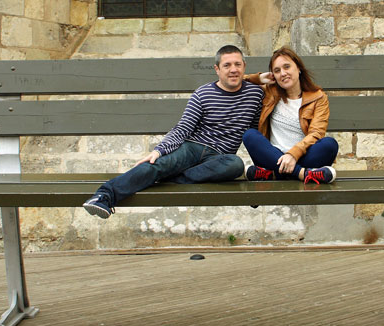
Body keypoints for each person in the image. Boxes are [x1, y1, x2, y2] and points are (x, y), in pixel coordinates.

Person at [83, 45, 264, 218]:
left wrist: (259, 173)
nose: (233, 69)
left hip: (219, 159)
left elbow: (255, 135)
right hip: (193, 147)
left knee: (236, 165)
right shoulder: (202, 94)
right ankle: (104, 196)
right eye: (227, 65)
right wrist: (159, 150)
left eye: (237, 64)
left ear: (244, 66)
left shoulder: (255, 95)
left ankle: (173, 177)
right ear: (217, 69)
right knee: (158, 164)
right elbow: (183, 128)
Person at [242, 47, 338, 184]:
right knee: (250, 135)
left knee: (329, 144)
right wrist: (259, 78)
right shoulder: (269, 92)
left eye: (287, 67)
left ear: (298, 68)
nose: (283, 73)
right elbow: (237, 82)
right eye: (277, 70)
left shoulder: (318, 98)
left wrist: (293, 154)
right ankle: (303, 174)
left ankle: (273, 175)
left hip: (303, 157)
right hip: (272, 158)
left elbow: (316, 133)